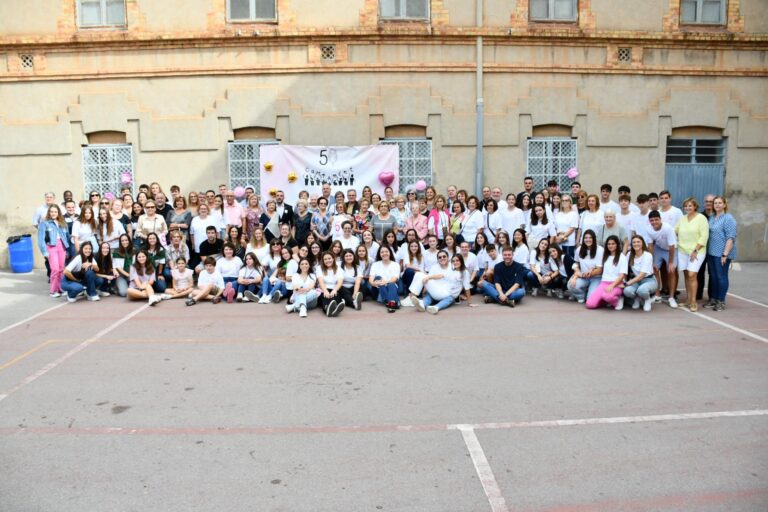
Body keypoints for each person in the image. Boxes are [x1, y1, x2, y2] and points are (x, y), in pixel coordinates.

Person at [674, 197, 709, 312]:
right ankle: (688, 300)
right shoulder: (683, 219)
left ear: (695, 207)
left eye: (690, 206)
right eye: (686, 206)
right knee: (686, 275)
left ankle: (693, 301)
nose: (687, 208)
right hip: (682, 250)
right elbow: (675, 231)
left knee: (691, 275)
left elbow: (704, 236)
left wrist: (695, 250)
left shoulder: (701, 218)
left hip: (696, 251)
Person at [706, 195, 737, 311]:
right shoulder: (712, 217)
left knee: (721, 276)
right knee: (713, 277)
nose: (717, 205)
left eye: (719, 203)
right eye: (715, 203)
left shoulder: (729, 218)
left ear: (724, 205)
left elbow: (731, 237)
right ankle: (713, 299)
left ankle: (721, 300)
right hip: (712, 252)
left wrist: (725, 254)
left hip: (722, 254)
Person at [37, 204, 71, 297]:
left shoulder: (63, 223)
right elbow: (41, 239)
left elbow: (67, 237)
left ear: (58, 213)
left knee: (61, 269)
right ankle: (53, 291)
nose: (53, 213)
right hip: (51, 247)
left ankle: (60, 289)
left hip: (62, 247)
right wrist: (44, 252)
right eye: (51, 211)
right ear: (49, 212)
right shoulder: (44, 223)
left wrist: (67, 249)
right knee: (55, 269)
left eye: (55, 211)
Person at [646, 210, 678, 308]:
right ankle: (657, 295)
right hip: (659, 248)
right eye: (652, 220)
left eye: (656, 220)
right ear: (649, 221)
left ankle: (671, 297)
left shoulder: (668, 228)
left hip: (670, 249)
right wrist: (651, 262)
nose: (654, 222)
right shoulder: (648, 229)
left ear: (660, 219)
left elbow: (672, 246)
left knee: (671, 271)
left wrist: (671, 262)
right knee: (654, 269)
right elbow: (650, 246)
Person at [586, 235, 627, 310]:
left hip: (617, 284)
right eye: (609, 244)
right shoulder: (605, 256)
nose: (611, 246)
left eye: (613, 244)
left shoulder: (622, 258)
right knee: (590, 304)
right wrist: (592, 268)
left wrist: (612, 285)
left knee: (607, 296)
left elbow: (622, 275)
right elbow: (599, 267)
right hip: (604, 283)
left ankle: (618, 299)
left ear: (617, 245)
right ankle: (606, 300)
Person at [567, 229, 604, 304]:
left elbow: (600, 270)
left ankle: (590, 294)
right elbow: (576, 263)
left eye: (590, 238)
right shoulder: (579, 249)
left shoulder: (600, 250)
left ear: (594, 239)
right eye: (586, 238)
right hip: (583, 277)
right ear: (583, 239)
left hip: (596, 277)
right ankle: (581, 296)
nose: (588, 240)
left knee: (591, 300)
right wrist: (576, 274)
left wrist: (589, 273)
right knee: (570, 285)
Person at [623, 235, 657, 312]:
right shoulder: (629, 255)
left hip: (649, 280)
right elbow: (624, 269)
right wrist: (623, 281)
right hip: (636, 280)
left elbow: (642, 275)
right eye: (634, 242)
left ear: (642, 244)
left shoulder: (647, 255)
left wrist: (626, 283)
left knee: (642, 290)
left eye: (638, 242)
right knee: (627, 291)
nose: (636, 244)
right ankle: (637, 299)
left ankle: (647, 299)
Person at [369, 246, 401, 312]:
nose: (384, 253)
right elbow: (370, 280)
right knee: (378, 278)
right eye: (382, 252)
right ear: (379, 254)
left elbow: (394, 279)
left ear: (390, 253)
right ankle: (395, 302)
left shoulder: (395, 265)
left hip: (391, 289)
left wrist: (385, 282)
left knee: (391, 284)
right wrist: (374, 283)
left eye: (386, 251)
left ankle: (390, 303)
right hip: (378, 291)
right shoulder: (375, 264)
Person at [316, 251, 346, 317]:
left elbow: (340, 282)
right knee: (325, 297)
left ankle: (334, 308)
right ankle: (327, 309)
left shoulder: (339, 269)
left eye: (329, 258)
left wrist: (335, 290)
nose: (327, 261)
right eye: (325, 259)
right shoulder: (319, 268)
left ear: (333, 259)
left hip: (334, 288)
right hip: (323, 288)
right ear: (323, 261)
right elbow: (321, 282)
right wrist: (325, 291)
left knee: (336, 295)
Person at [554, 194, 579, 259]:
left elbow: (572, 228)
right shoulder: (558, 214)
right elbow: (556, 227)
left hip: (568, 242)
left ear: (570, 202)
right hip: (558, 242)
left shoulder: (574, 214)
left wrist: (562, 237)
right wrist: (558, 237)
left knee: (569, 261)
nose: (564, 202)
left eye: (566, 200)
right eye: (562, 200)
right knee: (560, 261)